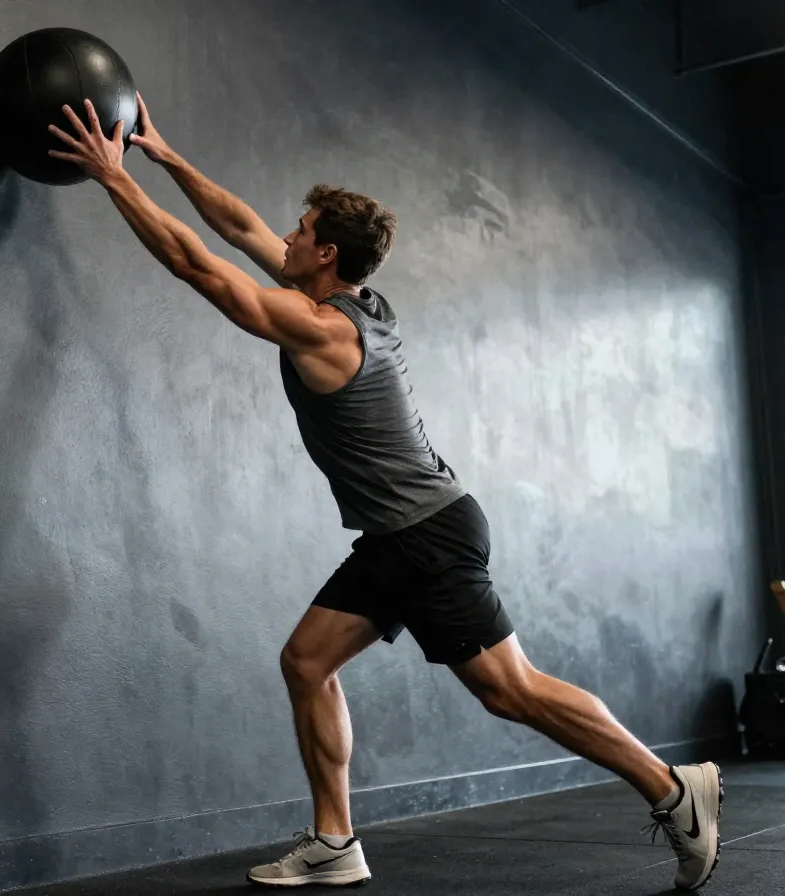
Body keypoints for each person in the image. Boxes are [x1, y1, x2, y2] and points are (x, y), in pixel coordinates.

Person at [46, 95, 723, 892]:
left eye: (299, 232)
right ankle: (334, 842)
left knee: (512, 691)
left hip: (428, 534)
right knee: (306, 661)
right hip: (403, 535)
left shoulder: (326, 330)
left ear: (324, 254)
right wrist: (164, 157)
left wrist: (111, 177)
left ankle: (677, 791)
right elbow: (234, 228)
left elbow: (202, 267)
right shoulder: (353, 300)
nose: (286, 236)